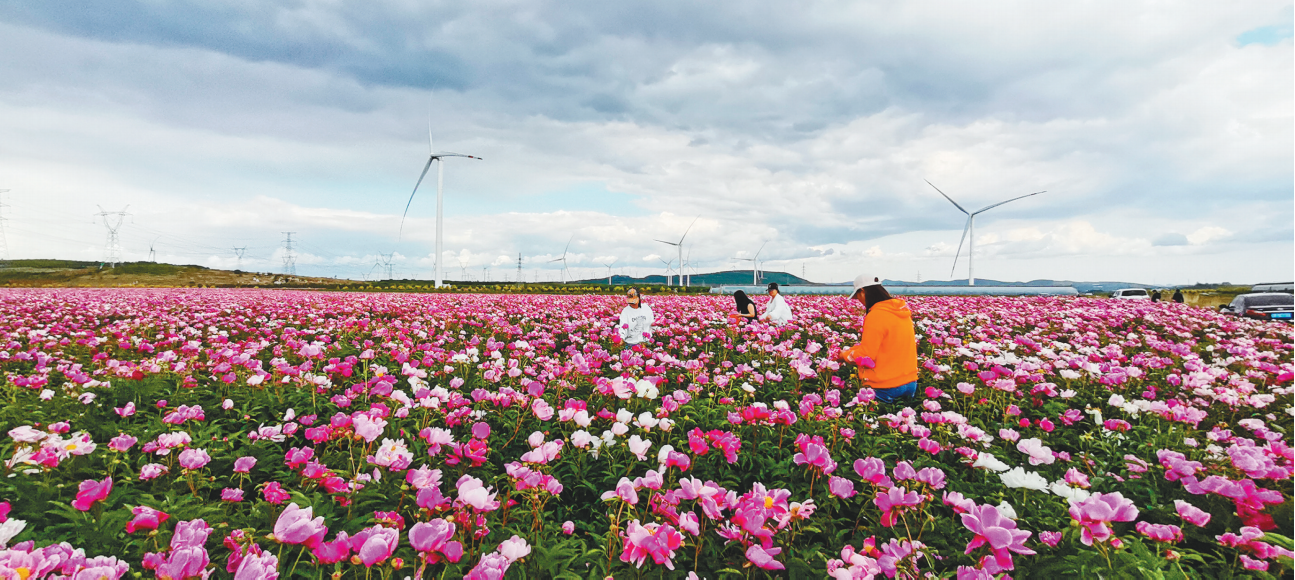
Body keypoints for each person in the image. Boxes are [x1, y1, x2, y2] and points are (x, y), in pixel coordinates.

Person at [837, 274, 918, 404]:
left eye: (857, 296)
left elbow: (866, 355)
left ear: (862, 291)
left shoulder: (876, 315)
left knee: (870, 422)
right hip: (910, 382)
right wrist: (854, 349)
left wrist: (844, 355)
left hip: (886, 386)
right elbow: (888, 345)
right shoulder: (901, 311)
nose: (859, 301)